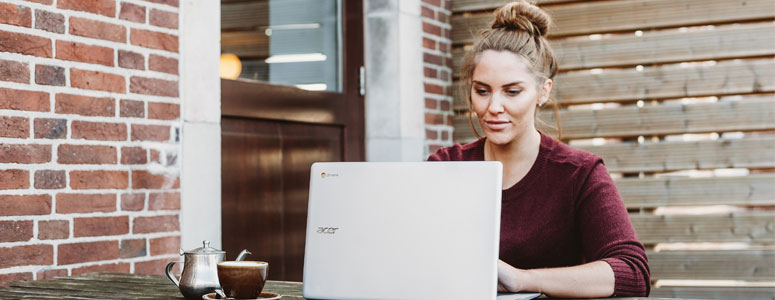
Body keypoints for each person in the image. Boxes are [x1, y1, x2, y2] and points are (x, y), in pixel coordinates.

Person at [427, 1, 650, 298]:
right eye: (482, 91)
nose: (493, 107)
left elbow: (632, 272)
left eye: (512, 91)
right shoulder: (445, 165)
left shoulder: (579, 174)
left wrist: (521, 279)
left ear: (543, 91)